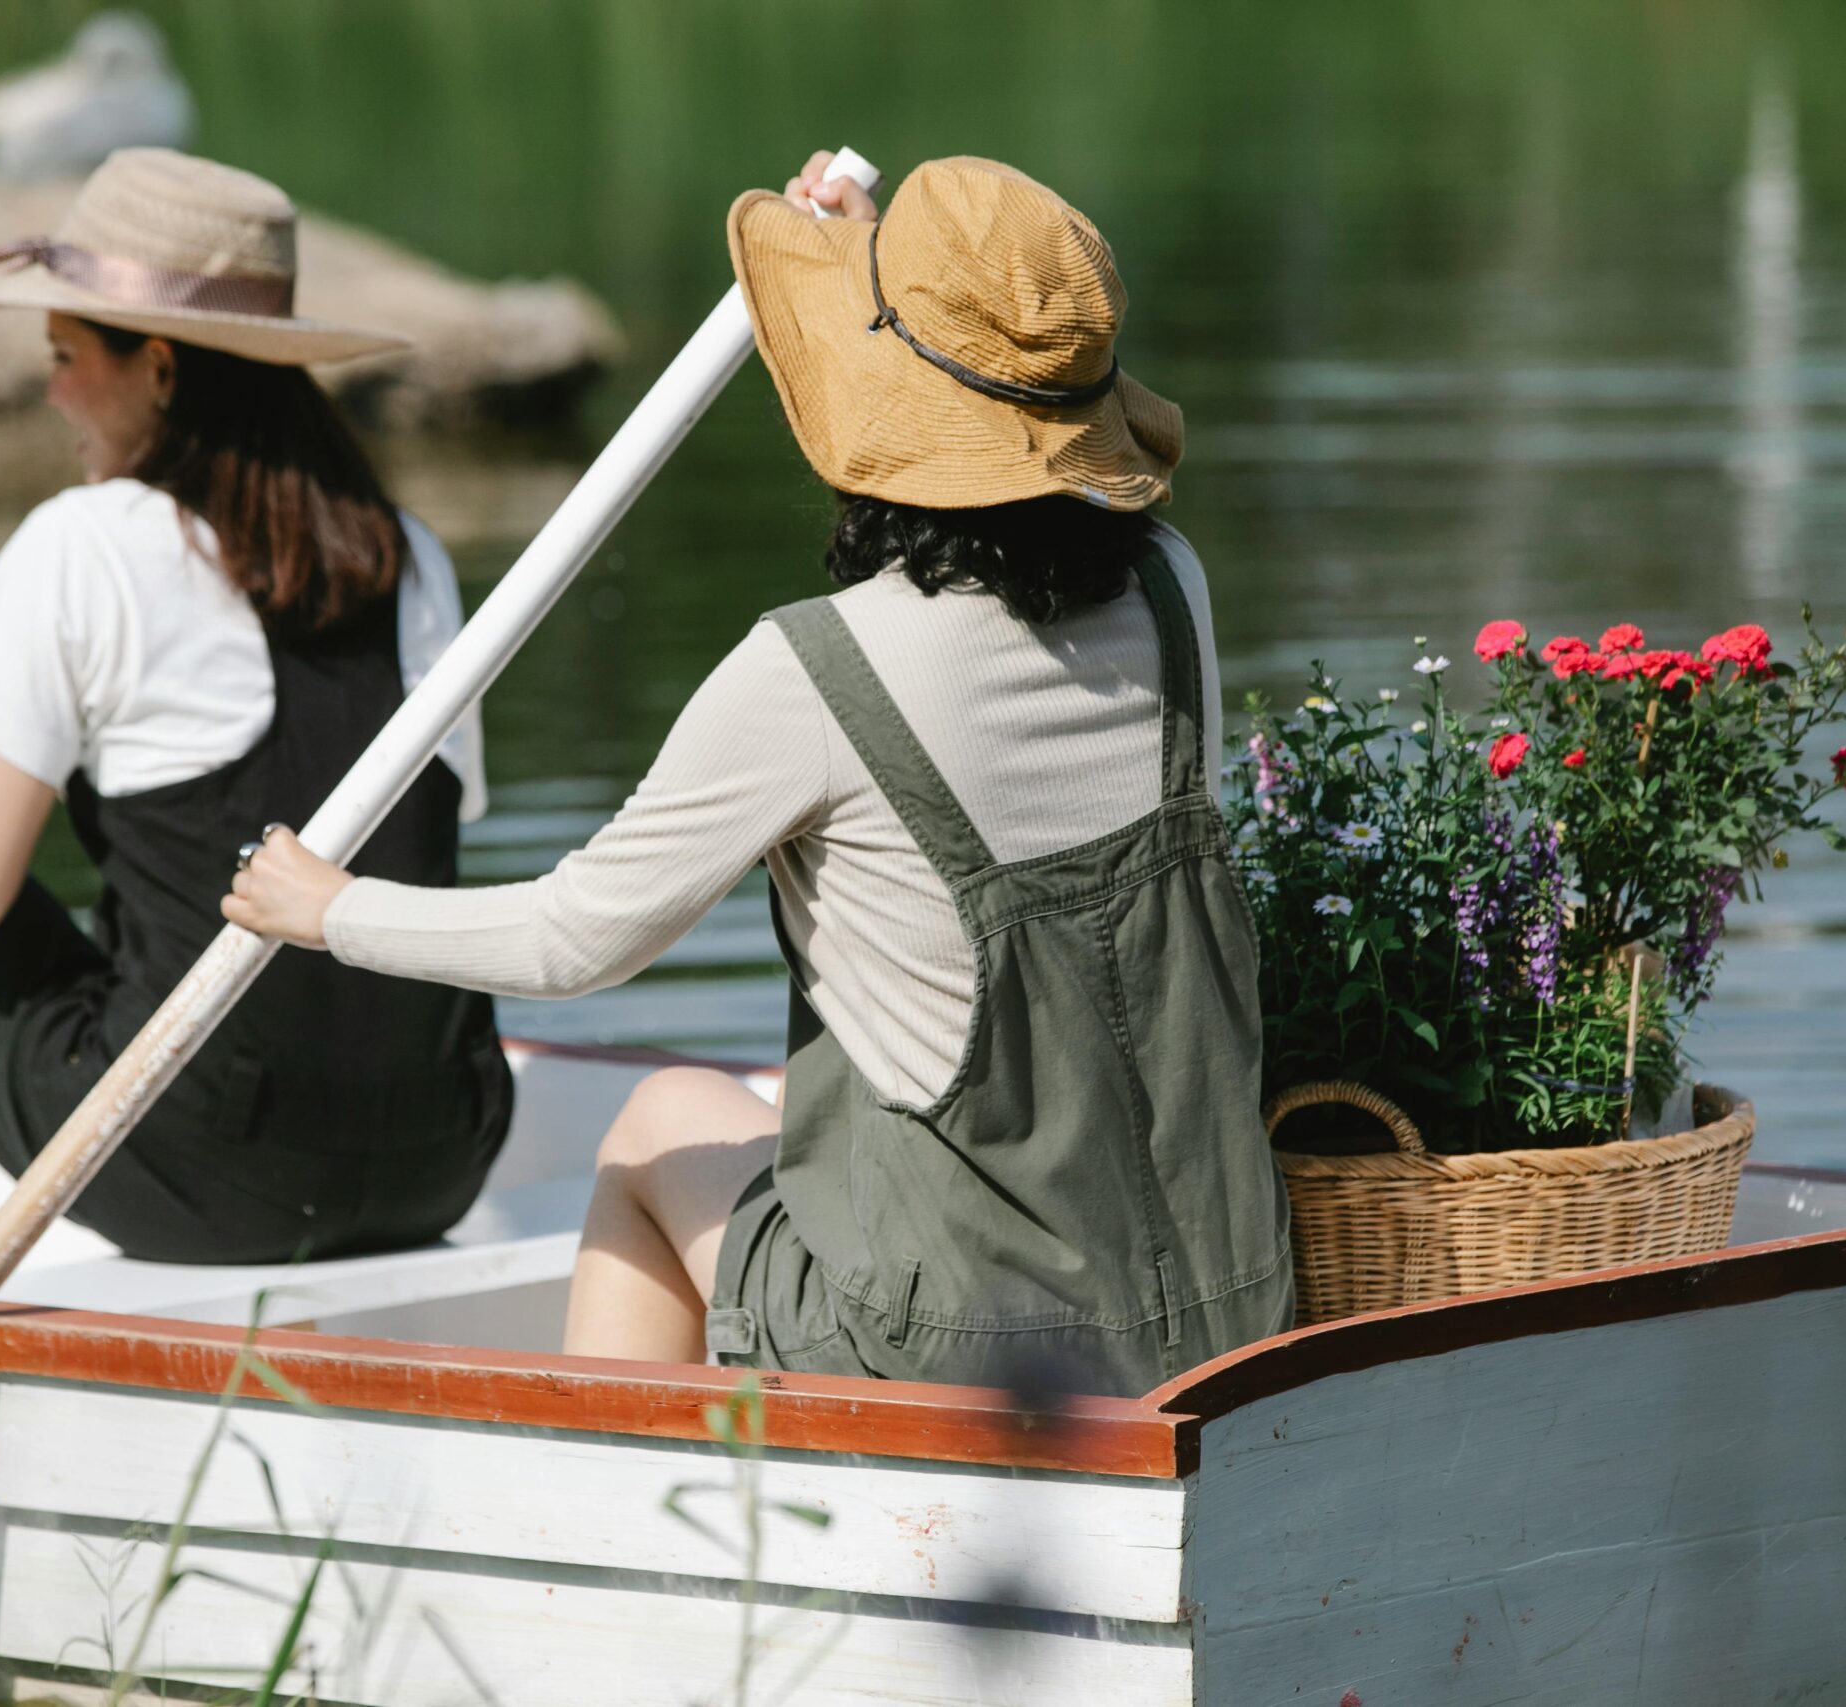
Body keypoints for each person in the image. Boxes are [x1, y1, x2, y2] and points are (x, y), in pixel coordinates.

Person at [227, 154, 1289, 1396]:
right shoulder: (1174, 589)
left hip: (966, 1342)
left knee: (655, 1126)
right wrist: (876, 259)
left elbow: (580, 940)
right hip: (1225, 1299)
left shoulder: (814, 672)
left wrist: (330, 910)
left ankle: (622, 1530)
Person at [0, 148, 510, 1281]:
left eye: (67, 356)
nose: (54, 391)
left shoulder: (86, 543)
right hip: (444, 1149)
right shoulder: (409, 554)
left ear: (158, 368)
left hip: (218, 1171)